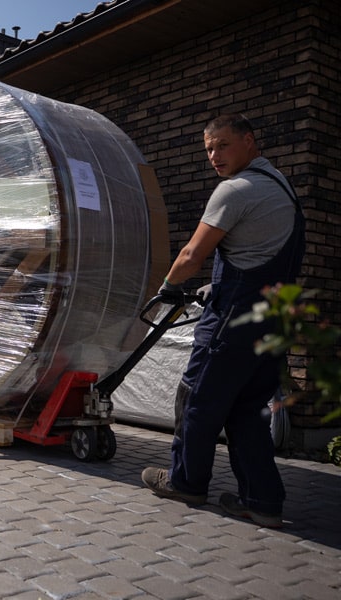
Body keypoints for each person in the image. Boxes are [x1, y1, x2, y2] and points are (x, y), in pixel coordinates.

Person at [141, 114, 305, 528]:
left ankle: (185, 482)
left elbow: (192, 255)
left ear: (249, 141)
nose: (214, 156)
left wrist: (166, 286)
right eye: (209, 149)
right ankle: (263, 501)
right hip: (271, 319)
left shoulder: (234, 190)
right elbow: (259, 254)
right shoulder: (283, 189)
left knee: (197, 400)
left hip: (232, 321)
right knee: (247, 411)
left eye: (222, 146)